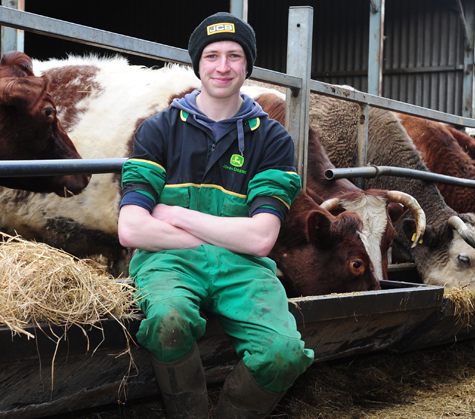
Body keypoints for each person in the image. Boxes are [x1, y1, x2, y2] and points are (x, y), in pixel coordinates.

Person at [117, 11, 315, 419]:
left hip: (244, 267)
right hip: (168, 260)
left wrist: (174, 213)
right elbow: (131, 227)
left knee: (284, 353)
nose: (223, 66)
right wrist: (225, 233)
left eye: (234, 56)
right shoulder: (158, 129)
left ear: (248, 65)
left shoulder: (273, 140)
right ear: (198, 64)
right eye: (211, 55)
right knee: (168, 322)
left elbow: (261, 239)